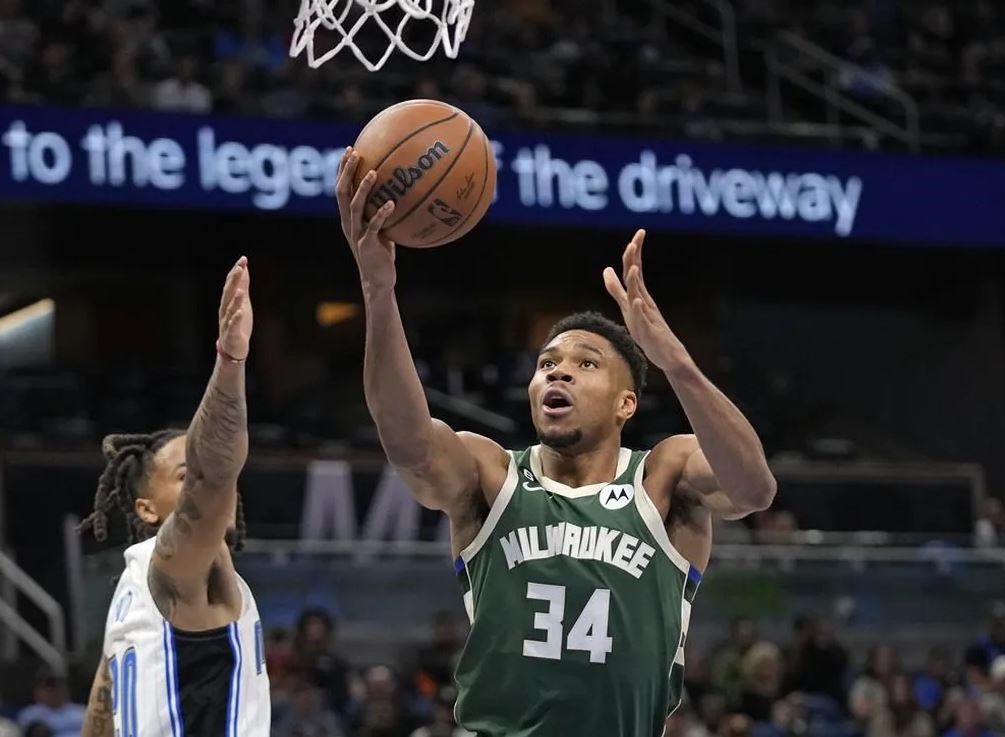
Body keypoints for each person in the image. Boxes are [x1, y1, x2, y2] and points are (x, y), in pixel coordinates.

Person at [335, 149, 776, 737]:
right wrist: (377, 287)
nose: (558, 372)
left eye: (585, 363)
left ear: (626, 403)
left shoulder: (662, 476)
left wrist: (676, 364)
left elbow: (753, 488)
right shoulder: (492, 475)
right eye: (546, 364)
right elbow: (408, 444)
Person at [78, 258, 270, 736]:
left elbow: (101, 714)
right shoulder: (177, 569)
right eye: (185, 475)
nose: (206, 482)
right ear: (146, 509)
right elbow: (213, 478)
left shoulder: (128, 593)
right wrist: (230, 361)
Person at [17, 671, 83, 737]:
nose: (54, 693)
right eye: (50, 690)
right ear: (38, 692)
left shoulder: (81, 711)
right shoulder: (30, 714)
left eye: (58, 688)